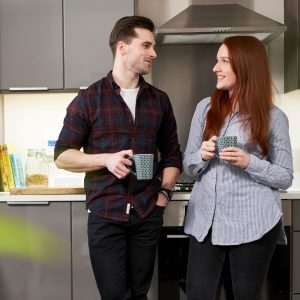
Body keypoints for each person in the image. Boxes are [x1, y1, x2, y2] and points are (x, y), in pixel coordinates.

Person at [54, 16, 182, 300]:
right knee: (114, 295)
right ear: (122, 48)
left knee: (139, 294)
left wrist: (163, 194)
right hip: (105, 214)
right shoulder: (89, 99)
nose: (154, 53)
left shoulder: (159, 100)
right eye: (146, 45)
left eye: (154, 46)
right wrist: (106, 159)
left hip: (147, 212)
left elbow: (172, 153)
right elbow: (63, 156)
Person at [183, 35, 293, 300]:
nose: (215, 68)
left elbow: (285, 176)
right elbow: (188, 165)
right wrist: (202, 155)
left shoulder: (274, 117)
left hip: (252, 224)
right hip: (206, 224)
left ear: (245, 66)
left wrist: (248, 161)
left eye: (223, 61)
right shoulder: (205, 109)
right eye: (216, 61)